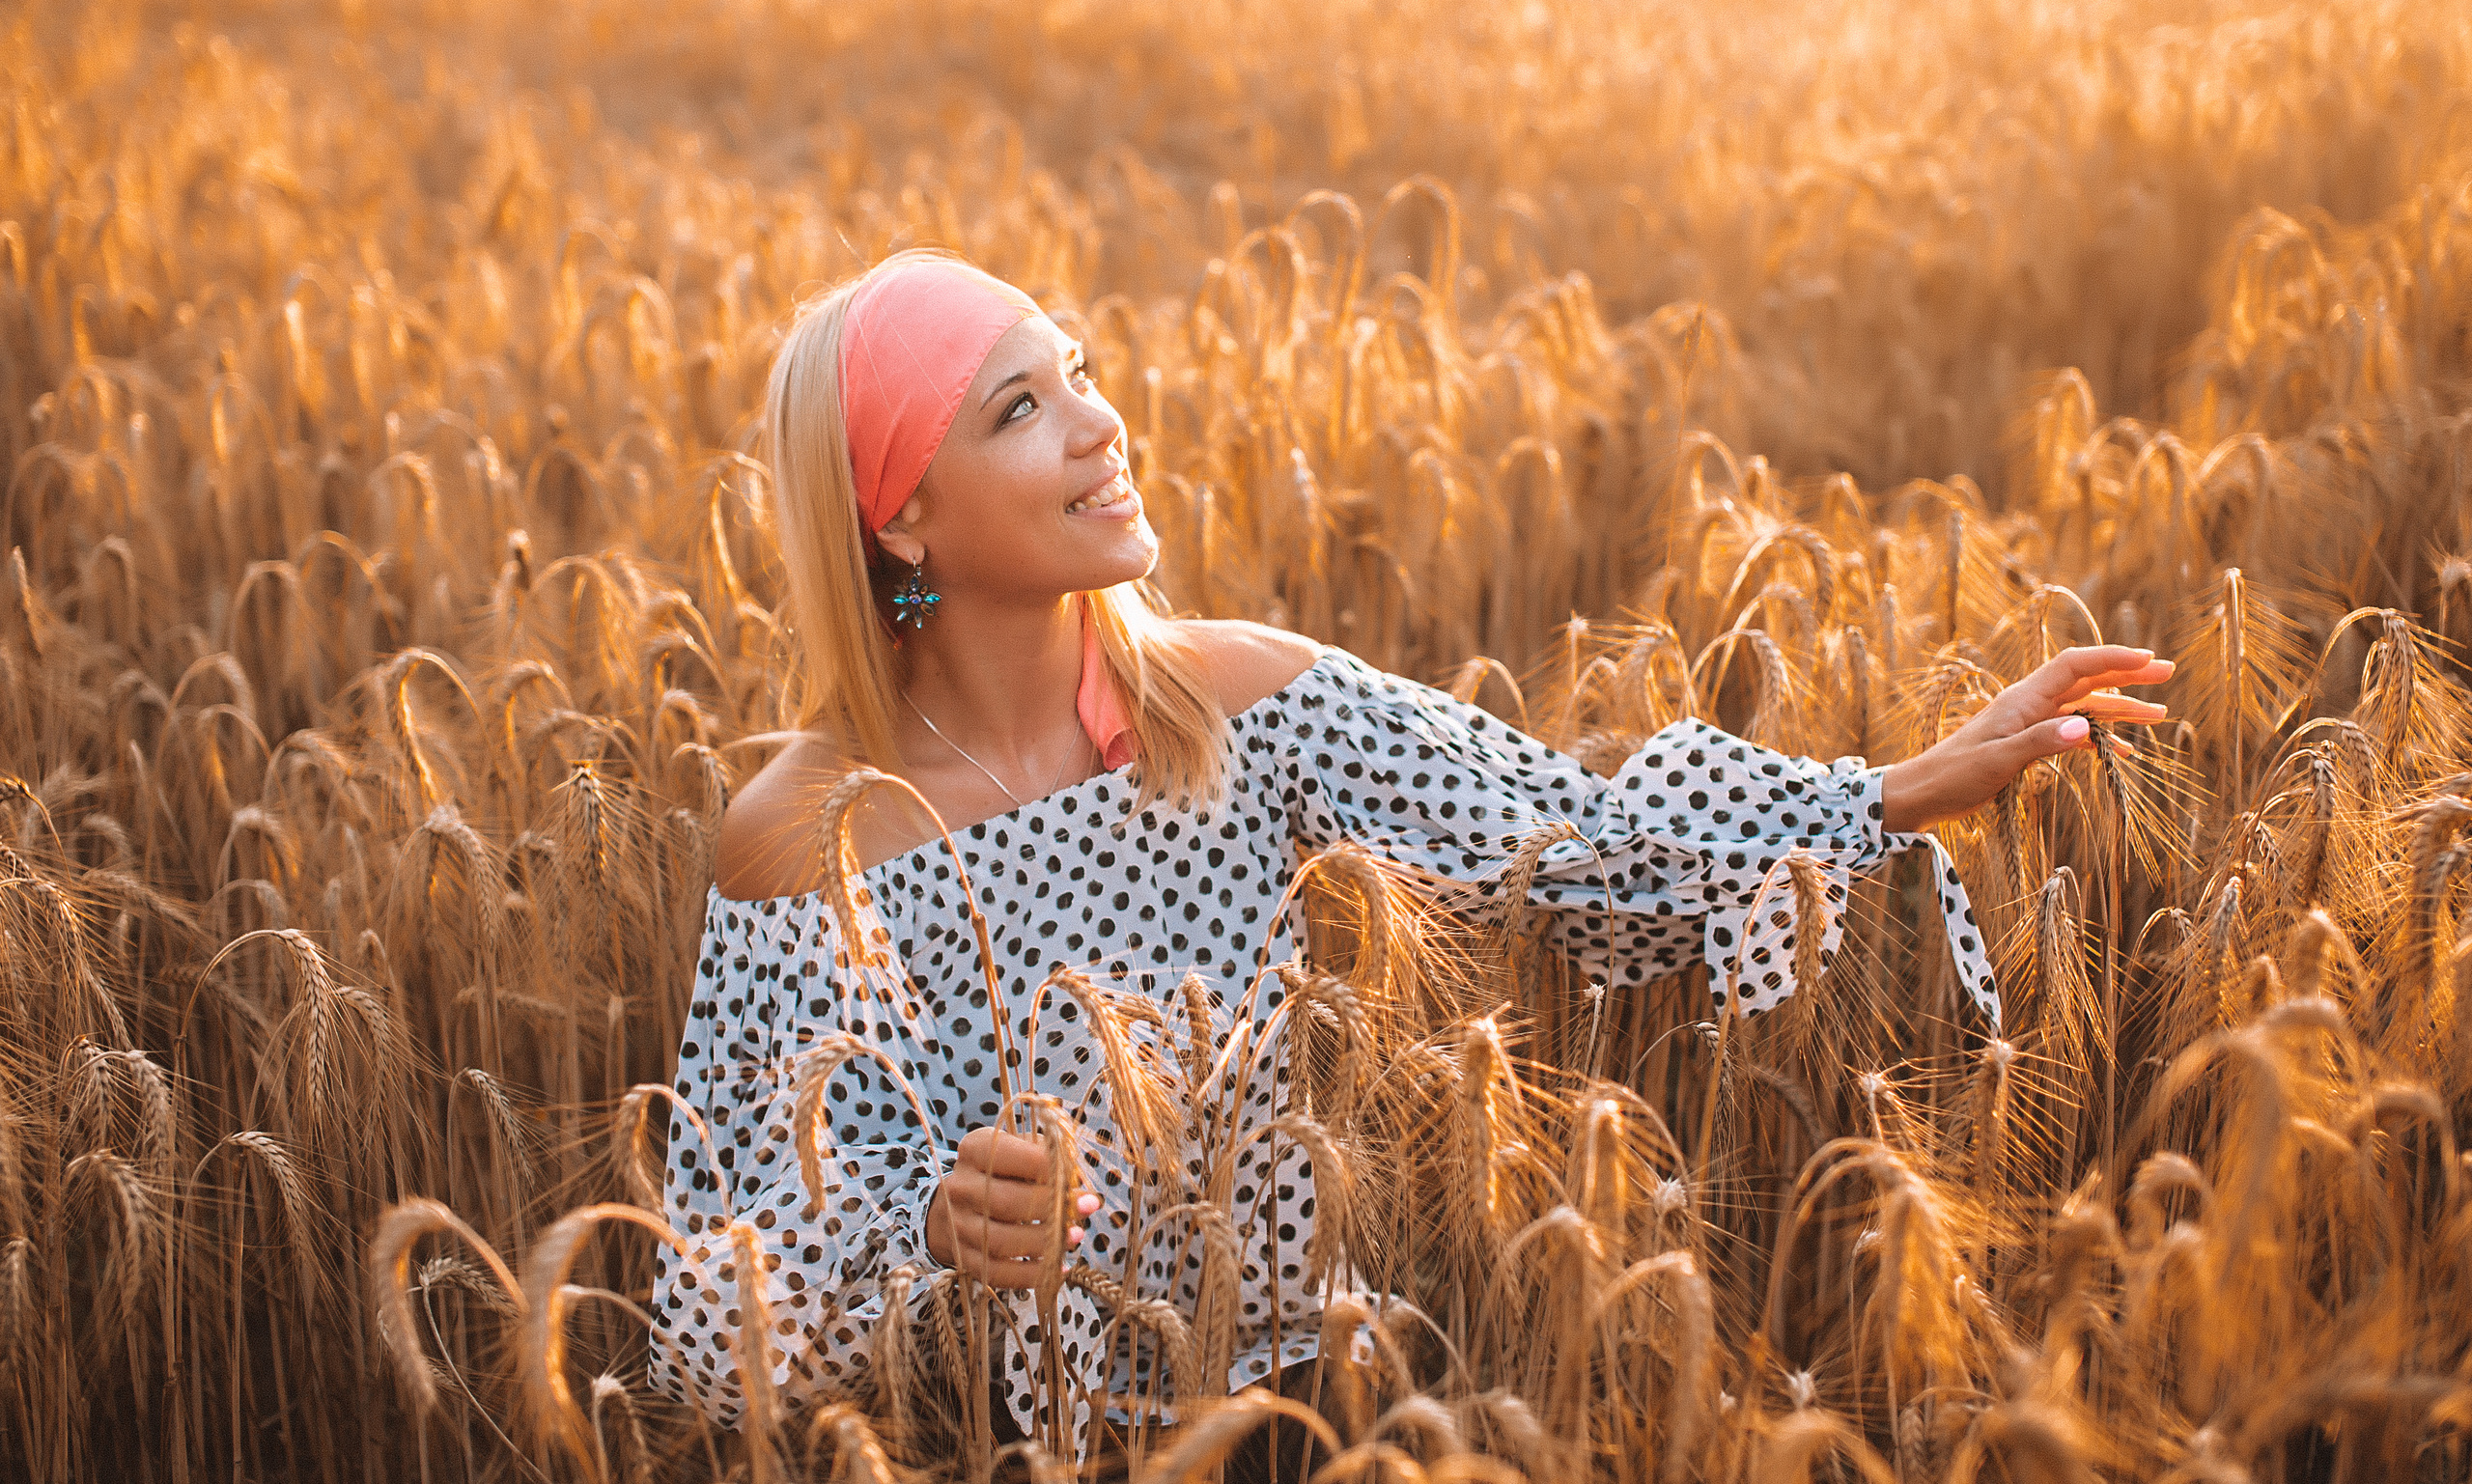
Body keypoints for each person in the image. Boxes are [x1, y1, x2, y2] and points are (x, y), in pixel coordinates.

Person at [645, 249, 2172, 1461]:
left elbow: (1578, 852)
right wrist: (938, 1227)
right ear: (901, 518)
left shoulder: (1242, 705)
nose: (1102, 422)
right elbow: (719, 1301)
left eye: (1081, 373)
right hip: (977, 1450)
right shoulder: (806, 838)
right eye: (1018, 407)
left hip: (1314, 1418)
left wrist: (1889, 790)